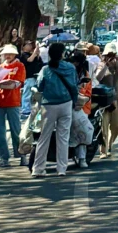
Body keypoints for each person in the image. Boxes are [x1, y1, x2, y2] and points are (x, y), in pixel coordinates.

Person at [32, 42, 79, 177]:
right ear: (62, 54)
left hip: (48, 106)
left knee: (44, 137)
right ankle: (62, 169)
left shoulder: (45, 70)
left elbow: (39, 87)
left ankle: (38, 168)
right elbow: (74, 87)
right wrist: (74, 101)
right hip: (66, 104)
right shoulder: (70, 68)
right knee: (63, 137)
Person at [0, 46, 26, 167]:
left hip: (13, 101)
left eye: (10, 53)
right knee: (0, 132)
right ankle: (4, 157)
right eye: (6, 54)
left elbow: (17, 84)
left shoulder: (20, 66)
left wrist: (1, 85)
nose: (8, 56)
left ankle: (22, 155)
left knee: (16, 131)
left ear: (15, 54)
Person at [94, 43, 118, 158]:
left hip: (116, 100)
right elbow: (98, 78)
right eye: (108, 54)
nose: (110, 56)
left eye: (112, 54)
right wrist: (105, 65)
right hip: (104, 101)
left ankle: (110, 144)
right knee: (103, 126)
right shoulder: (101, 64)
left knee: (117, 126)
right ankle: (103, 150)